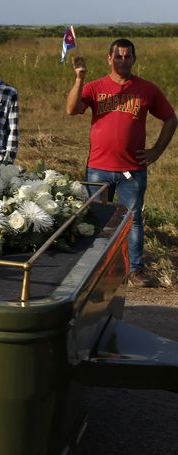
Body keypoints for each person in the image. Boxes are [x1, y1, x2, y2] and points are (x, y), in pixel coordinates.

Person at [67, 38, 177, 286]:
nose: (123, 60)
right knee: (95, 219)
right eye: (118, 56)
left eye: (128, 57)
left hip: (133, 170)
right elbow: (72, 109)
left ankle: (135, 269)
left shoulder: (146, 89)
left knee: (133, 219)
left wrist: (156, 152)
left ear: (134, 59)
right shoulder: (95, 87)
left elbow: (170, 119)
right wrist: (79, 79)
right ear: (109, 58)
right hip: (98, 168)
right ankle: (92, 268)